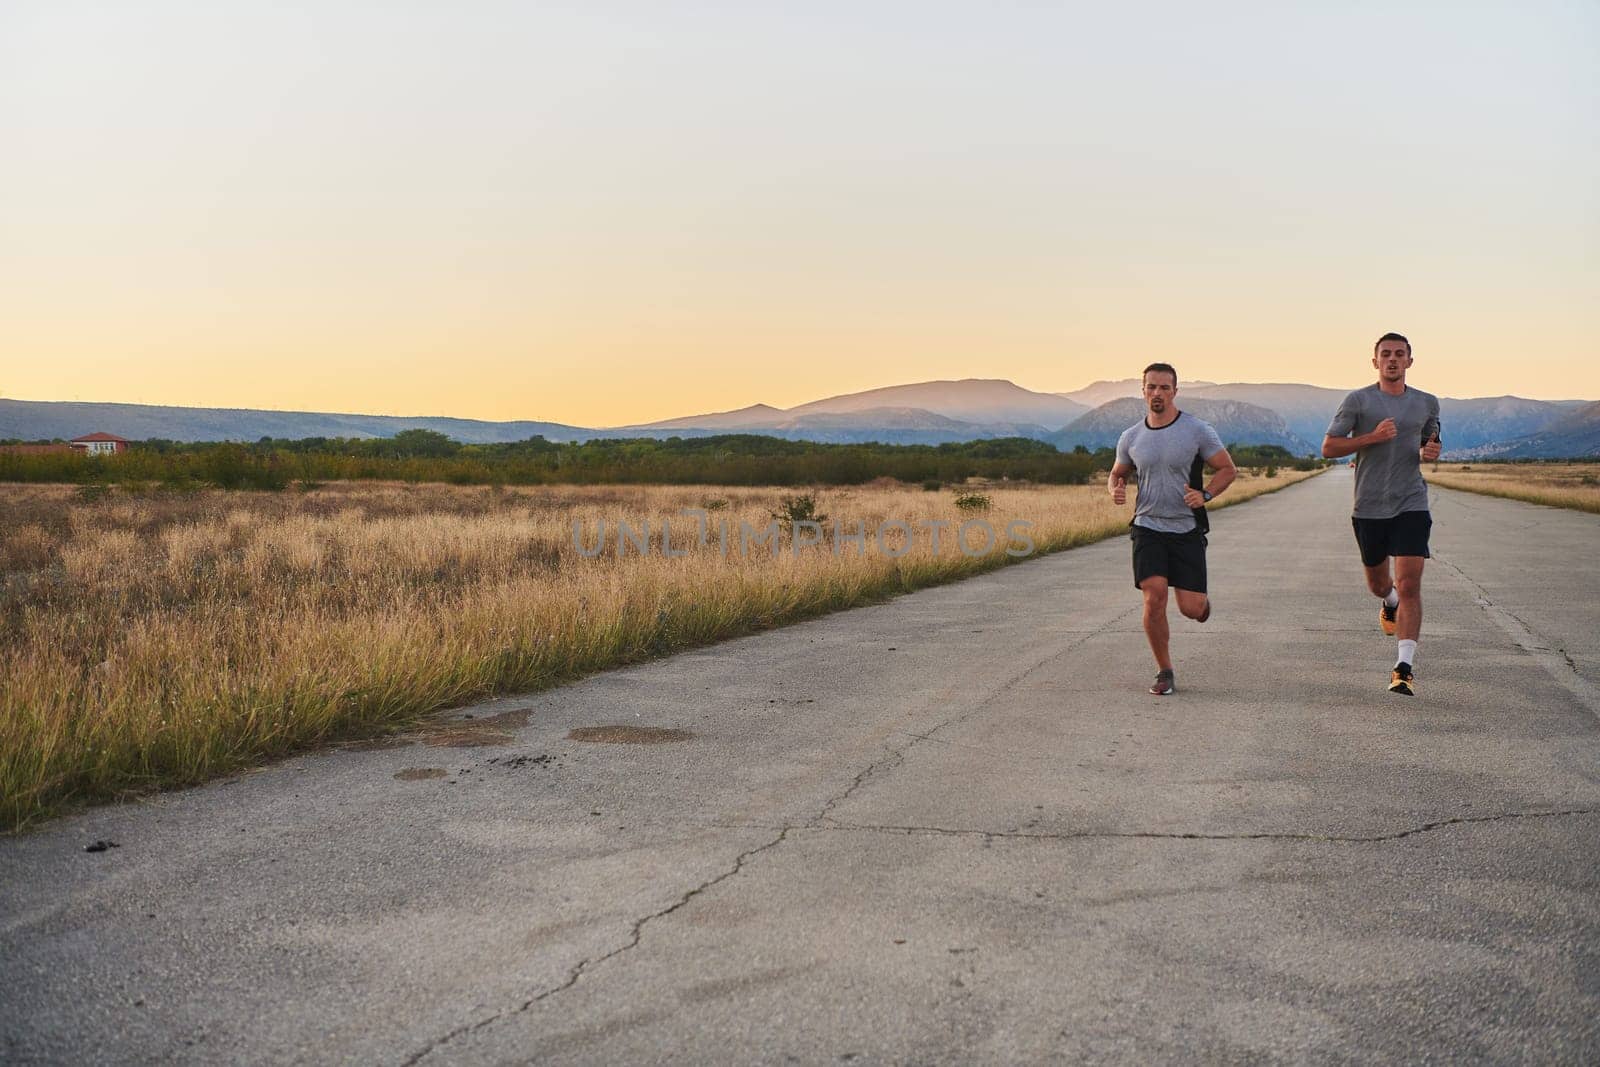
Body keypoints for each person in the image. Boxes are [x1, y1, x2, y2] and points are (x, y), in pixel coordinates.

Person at [1321, 332, 1442, 696]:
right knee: (1380, 584)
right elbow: (1329, 447)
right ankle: (1388, 603)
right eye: (1385, 354)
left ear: (1409, 361)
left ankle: (1403, 667)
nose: (1392, 359)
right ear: (1375, 362)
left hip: (1411, 502)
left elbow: (1429, 441)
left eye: (1399, 354)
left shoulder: (1426, 403)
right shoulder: (1358, 401)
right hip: (1370, 506)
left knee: (1409, 584)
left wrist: (1431, 453)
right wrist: (1369, 438)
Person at [1108, 363, 1237, 695]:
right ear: (1143, 391)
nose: (1157, 393)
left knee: (1190, 609)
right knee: (1154, 595)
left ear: (1175, 391)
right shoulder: (1131, 437)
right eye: (1151, 387)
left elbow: (1227, 469)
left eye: (1164, 388)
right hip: (1147, 526)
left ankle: (1202, 604)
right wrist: (1115, 489)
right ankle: (1164, 670)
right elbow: (1117, 472)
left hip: (1186, 528)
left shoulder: (1196, 430)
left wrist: (1206, 494)